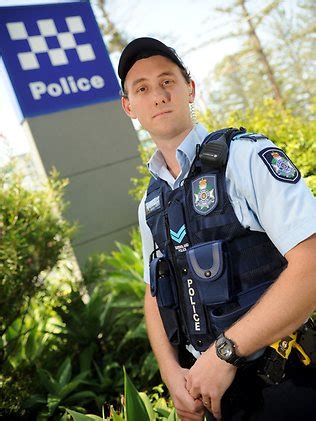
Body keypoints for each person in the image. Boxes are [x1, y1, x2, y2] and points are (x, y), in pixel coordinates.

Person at [118, 37, 316, 421]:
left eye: (167, 81)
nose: (157, 95)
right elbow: (153, 291)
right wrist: (171, 373)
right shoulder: (152, 203)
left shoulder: (245, 158)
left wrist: (225, 353)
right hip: (214, 399)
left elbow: (311, 264)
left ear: (190, 88)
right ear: (129, 107)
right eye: (141, 88)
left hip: (291, 384)